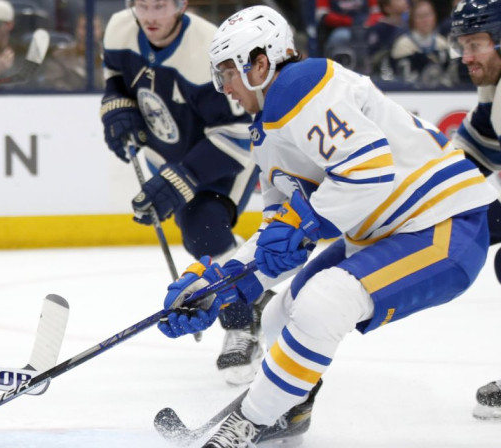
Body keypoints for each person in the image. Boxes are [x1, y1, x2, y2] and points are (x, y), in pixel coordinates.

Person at [157, 5, 497, 446]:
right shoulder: (268, 128)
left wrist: (307, 220)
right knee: (282, 315)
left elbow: (368, 167)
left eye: (228, 72)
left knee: (324, 301)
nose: (225, 87)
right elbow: (280, 238)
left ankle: (253, 421)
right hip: (391, 229)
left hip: (445, 225)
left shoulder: (303, 86)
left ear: (260, 63)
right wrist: (220, 283)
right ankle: (287, 413)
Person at [101, 0, 262, 385]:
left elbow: (239, 133)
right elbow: (116, 78)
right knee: (197, 238)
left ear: (181, 5)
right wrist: (117, 106)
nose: (151, 16)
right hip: (169, 154)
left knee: (204, 229)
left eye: (161, 6)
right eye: (143, 5)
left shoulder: (209, 47)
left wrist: (186, 176)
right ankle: (247, 288)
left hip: (222, 156)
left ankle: (244, 325)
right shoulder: (119, 28)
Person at [448, 0, 501, 421]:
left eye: (476, 44)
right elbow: (462, 160)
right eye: (463, 45)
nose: (466, 57)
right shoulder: (494, 95)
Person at [389, 0, 454, 87]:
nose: (425, 20)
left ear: (434, 17)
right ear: (412, 19)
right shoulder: (403, 44)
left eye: (428, 15)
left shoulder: (442, 43)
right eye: (420, 16)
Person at [39, 14, 105, 91]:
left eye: (93, 28)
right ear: (77, 30)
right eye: (84, 28)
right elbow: (52, 83)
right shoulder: (60, 56)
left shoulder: (110, 56)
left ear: (101, 31)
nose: (89, 32)